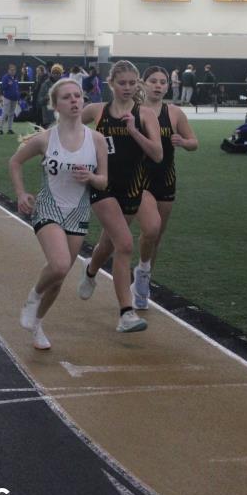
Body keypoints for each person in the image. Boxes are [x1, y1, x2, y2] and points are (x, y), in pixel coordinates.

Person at [10, 79, 109, 350]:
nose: (75, 100)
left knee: (59, 277)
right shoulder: (45, 139)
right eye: (67, 97)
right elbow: (15, 162)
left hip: (78, 212)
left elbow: (103, 182)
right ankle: (33, 297)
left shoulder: (97, 140)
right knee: (60, 264)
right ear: (55, 105)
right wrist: (21, 193)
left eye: (78, 95)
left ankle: (37, 324)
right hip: (48, 207)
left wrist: (91, 177)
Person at [77, 60, 163, 333]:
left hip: (133, 188)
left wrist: (134, 131)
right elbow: (67, 126)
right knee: (124, 244)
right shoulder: (97, 111)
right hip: (102, 185)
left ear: (137, 84)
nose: (127, 88)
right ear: (111, 84)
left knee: (108, 244)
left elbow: (157, 154)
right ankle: (126, 313)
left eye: (131, 83)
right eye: (121, 83)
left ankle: (91, 270)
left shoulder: (144, 114)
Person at [133, 66, 199, 309]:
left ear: (168, 86)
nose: (158, 85)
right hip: (139, 179)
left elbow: (194, 143)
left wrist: (183, 141)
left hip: (165, 178)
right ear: (143, 83)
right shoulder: (132, 110)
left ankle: (144, 276)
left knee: (157, 235)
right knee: (151, 229)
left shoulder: (174, 113)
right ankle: (141, 274)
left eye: (162, 82)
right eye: (153, 81)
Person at [0, 63, 20, 135]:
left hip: (14, 98)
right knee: (5, 113)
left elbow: (17, 88)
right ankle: (0, 129)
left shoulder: (16, 78)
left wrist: (18, 97)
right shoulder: (5, 77)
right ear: (8, 70)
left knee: (11, 114)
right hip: (7, 98)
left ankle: (9, 129)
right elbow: (3, 87)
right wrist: (8, 84)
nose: (13, 71)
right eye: (11, 70)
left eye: (14, 70)